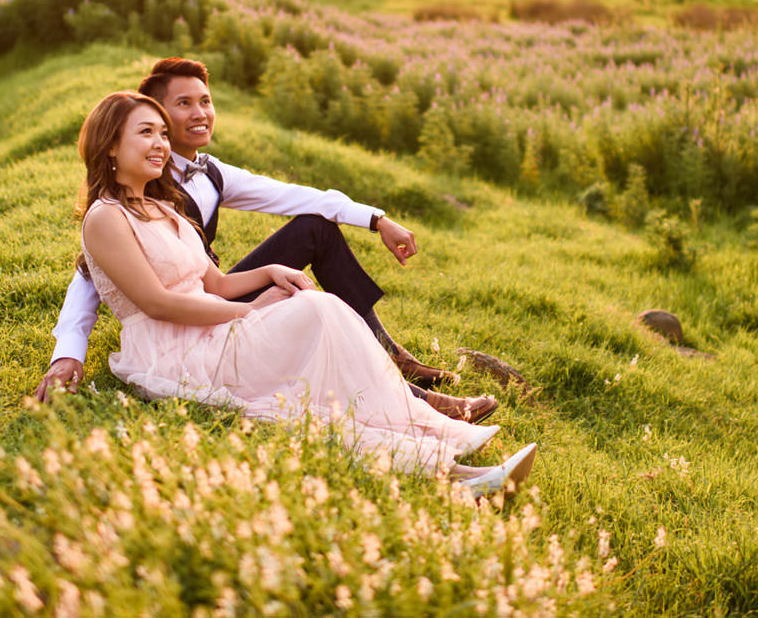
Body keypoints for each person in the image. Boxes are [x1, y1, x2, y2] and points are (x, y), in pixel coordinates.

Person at [65, 90, 536, 492]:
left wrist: (270, 270)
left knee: (319, 311)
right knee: (316, 324)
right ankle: (451, 469)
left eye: (162, 134)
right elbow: (157, 303)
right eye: (146, 133)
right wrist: (248, 316)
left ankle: (437, 441)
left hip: (208, 326)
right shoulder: (106, 217)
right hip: (172, 350)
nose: (162, 144)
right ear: (110, 147)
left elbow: (218, 284)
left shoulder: (161, 207)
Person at [36, 57, 497, 424]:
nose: (198, 113)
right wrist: (67, 353)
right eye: (181, 105)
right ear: (146, 117)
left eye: (205, 101)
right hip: (184, 316)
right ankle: (412, 398)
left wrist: (376, 219)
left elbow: (296, 196)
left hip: (212, 287)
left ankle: (390, 355)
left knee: (315, 225)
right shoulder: (129, 193)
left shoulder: (211, 172)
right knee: (311, 312)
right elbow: (92, 274)